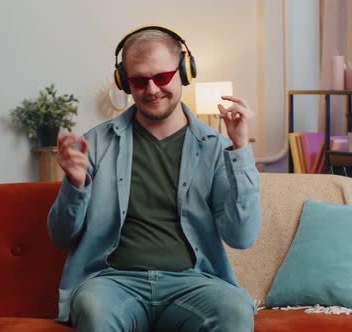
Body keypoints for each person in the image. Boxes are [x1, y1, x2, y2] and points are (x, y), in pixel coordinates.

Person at [48, 25, 262, 332]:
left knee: (235, 311)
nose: (151, 90)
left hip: (192, 283)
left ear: (184, 72)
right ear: (124, 82)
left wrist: (240, 148)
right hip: (113, 283)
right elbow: (60, 236)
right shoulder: (95, 144)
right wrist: (76, 184)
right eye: (138, 80)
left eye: (162, 77)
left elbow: (242, 237)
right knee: (93, 310)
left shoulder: (215, 148)